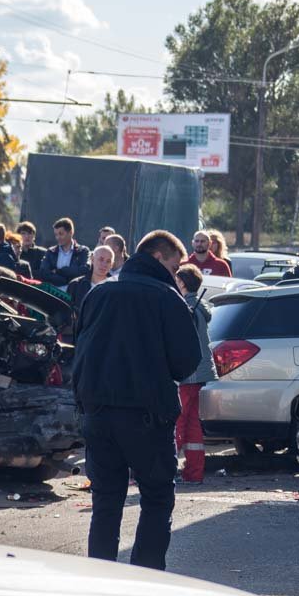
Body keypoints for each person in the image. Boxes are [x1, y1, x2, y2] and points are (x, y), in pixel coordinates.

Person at [73, 230, 201, 570]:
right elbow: (186, 363)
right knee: (157, 499)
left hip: (98, 415)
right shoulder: (167, 298)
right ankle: (146, 580)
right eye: (174, 267)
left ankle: (101, 578)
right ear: (158, 258)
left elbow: (80, 350)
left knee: (106, 502)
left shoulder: (99, 293)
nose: (176, 274)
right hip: (147, 416)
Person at [173, 265, 217, 485]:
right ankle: (193, 473)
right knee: (191, 424)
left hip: (186, 375)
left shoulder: (184, 307)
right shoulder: (199, 308)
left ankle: (168, 470)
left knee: (177, 423)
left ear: (182, 283)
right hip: (199, 374)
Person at [38, 217, 91, 290]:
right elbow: (43, 273)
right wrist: (65, 280)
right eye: (56, 235)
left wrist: (58, 271)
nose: (58, 237)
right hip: (53, 293)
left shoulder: (83, 251)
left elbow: (84, 270)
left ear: (71, 232)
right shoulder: (50, 252)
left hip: (74, 293)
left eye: (61, 234)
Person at [67, 245, 115, 312]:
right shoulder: (75, 285)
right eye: (101, 259)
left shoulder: (115, 289)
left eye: (108, 261)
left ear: (112, 265)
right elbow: (66, 311)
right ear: (92, 259)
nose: (104, 264)